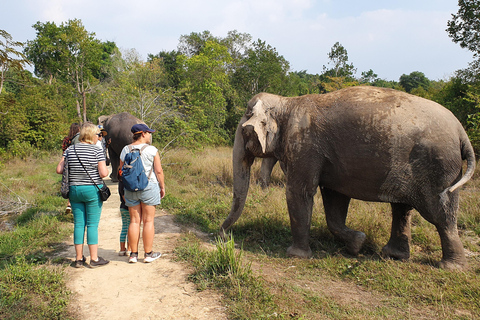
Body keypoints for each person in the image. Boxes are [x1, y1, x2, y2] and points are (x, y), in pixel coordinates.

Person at [56, 122, 110, 268]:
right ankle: (94, 259)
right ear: (91, 135)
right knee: (92, 225)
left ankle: (79, 259)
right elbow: (104, 173)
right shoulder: (96, 151)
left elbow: (59, 169)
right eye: (97, 135)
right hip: (92, 190)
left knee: (79, 224)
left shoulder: (69, 150)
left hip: (74, 190)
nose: (98, 138)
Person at [119, 123, 165, 263]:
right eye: (149, 133)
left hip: (131, 188)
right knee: (148, 221)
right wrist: (162, 187)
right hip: (149, 187)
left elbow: (121, 171)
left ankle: (133, 254)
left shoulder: (125, 149)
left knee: (134, 221)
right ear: (143, 134)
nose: (150, 135)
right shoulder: (152, 150)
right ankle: (148, 254)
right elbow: (158, 171)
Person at [62, 123, 80, 214]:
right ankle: (72, 204)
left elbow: (63, 150)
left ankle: (69, 203)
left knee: (67, 183)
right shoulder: (78, 139)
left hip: (66, 161)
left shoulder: (66, 139)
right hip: (75, 162)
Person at [118, 169, 131, 256]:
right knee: (130, 228)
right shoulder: (126, 183)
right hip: (128, 208)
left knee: (124, 228)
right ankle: (129, 249)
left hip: (122, 208)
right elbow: (124, 197)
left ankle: (122, 249)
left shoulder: (120, 183)